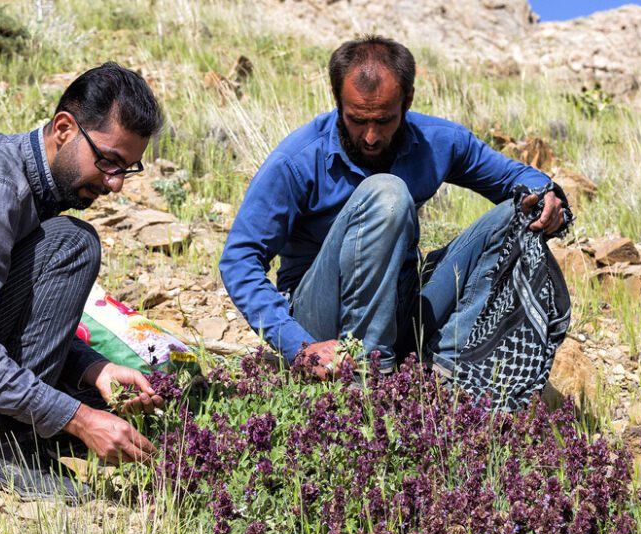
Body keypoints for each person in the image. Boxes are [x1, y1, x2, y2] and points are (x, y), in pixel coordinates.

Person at [219, 35, 568, 380]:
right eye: (357, 119)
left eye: (384, 121)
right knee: (387, 193)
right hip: (322, 320)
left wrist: (548, 196)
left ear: (408, 100)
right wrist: (297, 344)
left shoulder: (439, 141)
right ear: (337, 101)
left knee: (519, 213)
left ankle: (443, 369)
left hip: (401, 307)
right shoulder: (296, 160)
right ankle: (366, 373)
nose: (370, 137)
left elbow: (520, 179)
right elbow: (240, 260)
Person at [0, 62, 166, 501]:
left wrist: (91, 367)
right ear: (64, 127)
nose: (115, 184)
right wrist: (80, 420)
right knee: (71, 244)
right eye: (108, 161)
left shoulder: (28, 178)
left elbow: (6, 312)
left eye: (127, 169)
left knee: (110, 408)